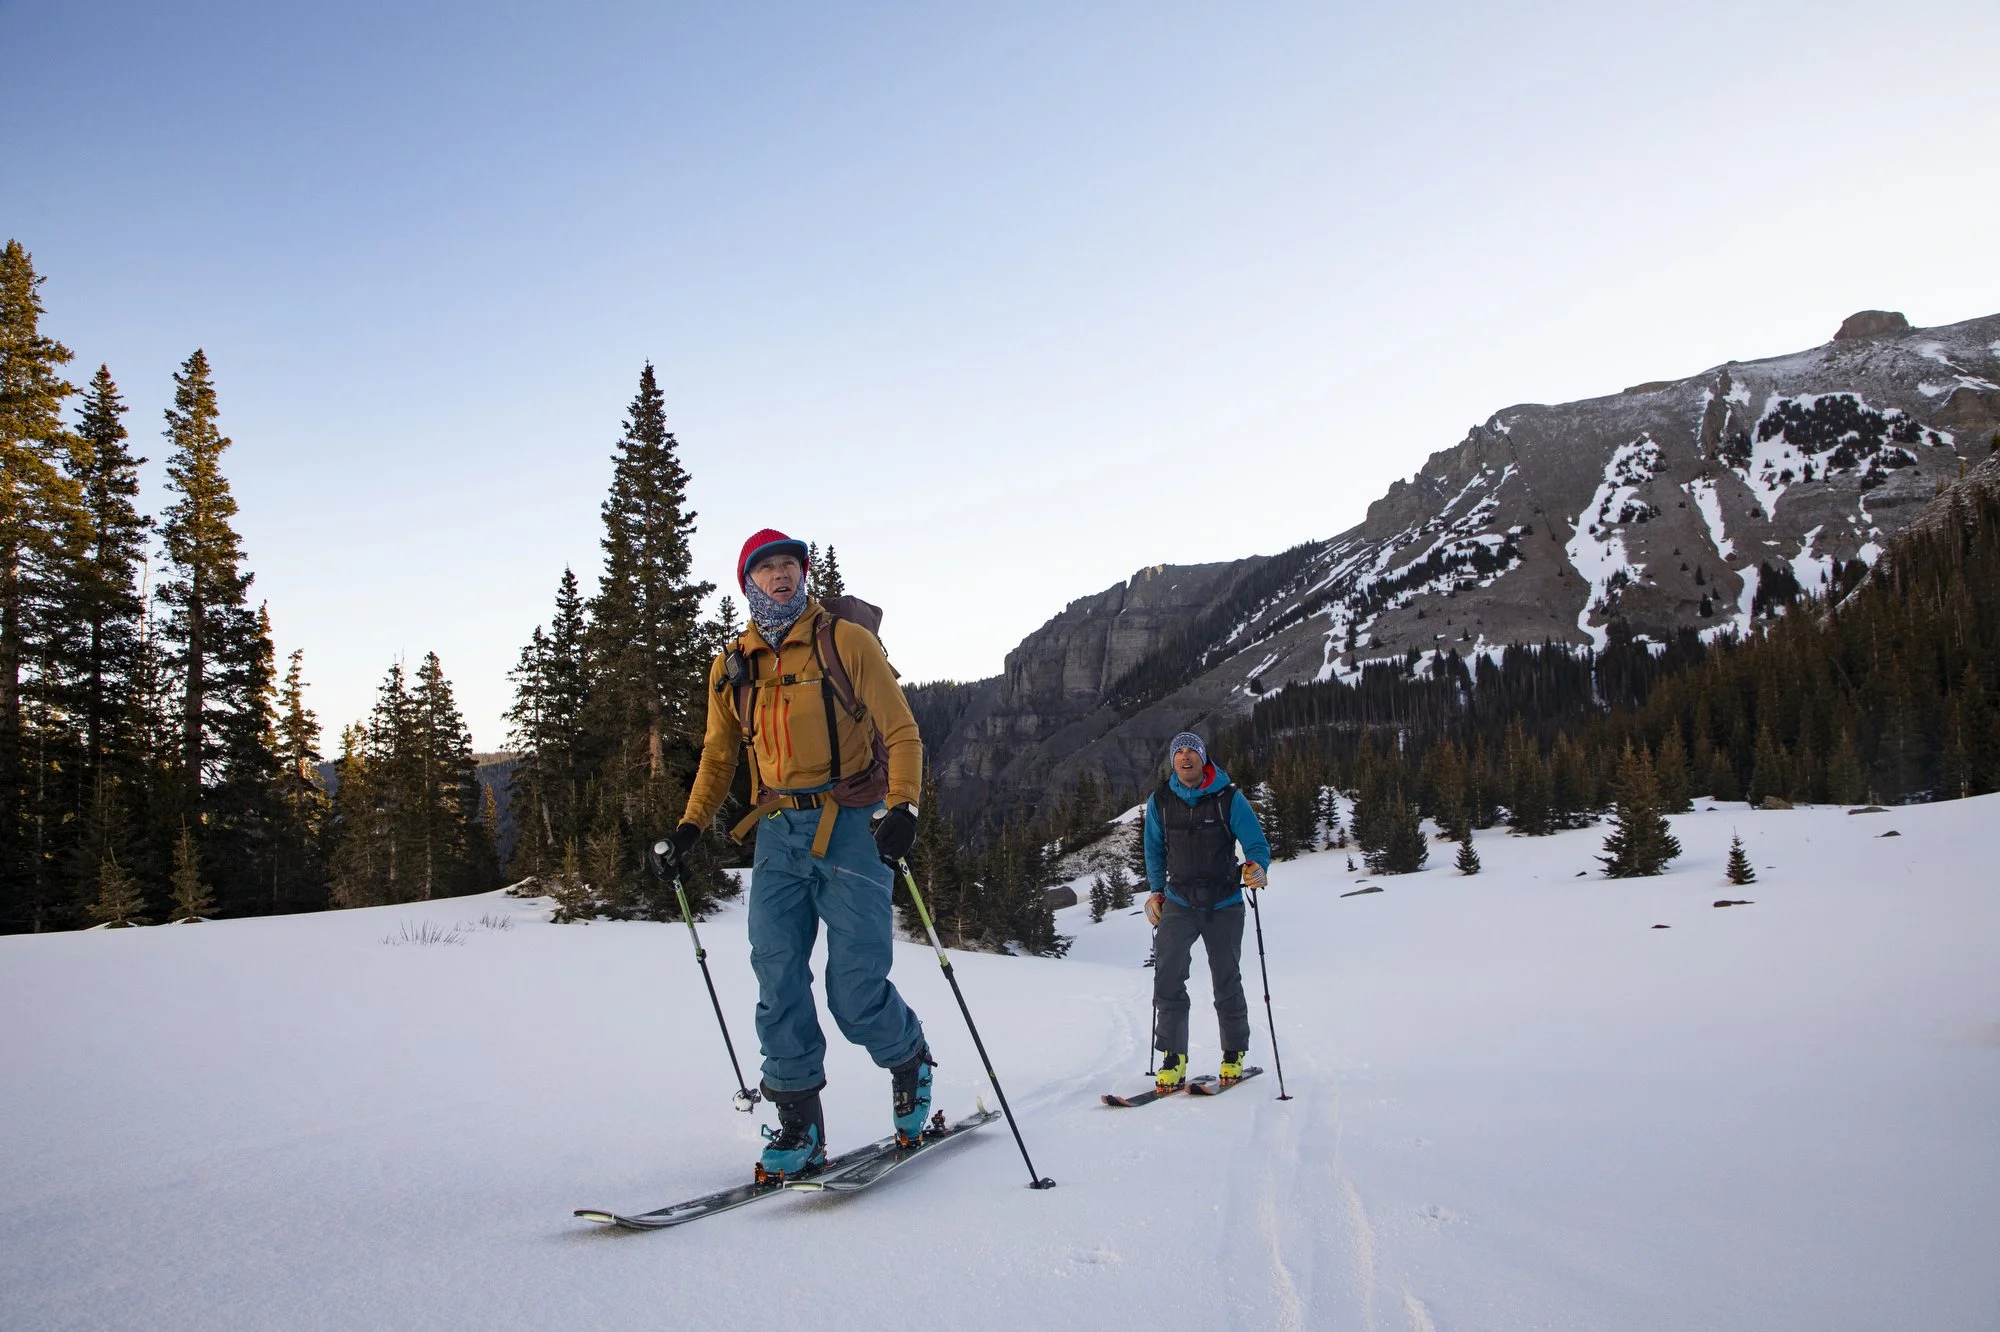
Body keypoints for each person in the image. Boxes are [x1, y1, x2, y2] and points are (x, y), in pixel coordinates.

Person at [655, 529, 931, 1181]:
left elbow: (901, 729)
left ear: (803, 575)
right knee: (776, 977)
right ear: (747, 583)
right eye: (766, 568)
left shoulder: (845, 641)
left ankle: (910, 1061)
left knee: (854, 989)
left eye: (790, 565)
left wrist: (904, 807)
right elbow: (719, 755)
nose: (781, 576)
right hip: (777, 835)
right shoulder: (730, 665)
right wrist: (690, 828)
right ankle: (799, 1125)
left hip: (852, 828)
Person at [1142, 731, 1271, 1091]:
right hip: (1179, 901)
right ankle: (1173, 1056)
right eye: (1178, 752)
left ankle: (1233, 1053)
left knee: (1225, 978)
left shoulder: (1228, 798)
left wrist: (1257, 867)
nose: (1185, 758)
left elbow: (1256, 843)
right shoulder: (1161, 801)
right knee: (1167, 976)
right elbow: (1154, 849)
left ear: (1203, 758)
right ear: (1172, 761)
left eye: (1191, 752)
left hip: (1224, 902)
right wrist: (1155, 893)